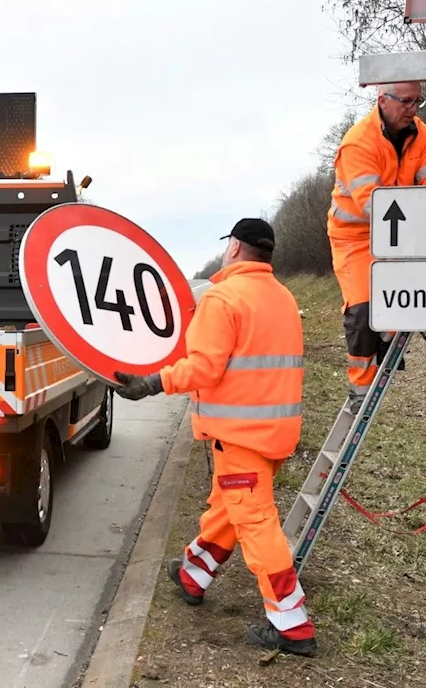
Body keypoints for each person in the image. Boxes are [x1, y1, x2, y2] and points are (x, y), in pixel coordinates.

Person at [113, 218, 317, 657]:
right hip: (276, 434)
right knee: (227, 510)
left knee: (256, 525)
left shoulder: (224, 298)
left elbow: (203, 368)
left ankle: (292, 624)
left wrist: (150, 384)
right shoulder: (283, 297)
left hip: (240, 435)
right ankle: (193, 574)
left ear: (236, 248)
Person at [328, 81, 426, 413]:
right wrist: (420, 220)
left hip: (401, 232)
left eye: (418, 101)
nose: (413, 108)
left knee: (403, 302)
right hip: (356, 237)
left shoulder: (421, 134)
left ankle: (384, 349)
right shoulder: (358, 143)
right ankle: (360, 387)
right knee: (363, 309)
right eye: (407, 101)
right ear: (382, 100)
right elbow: (371, 203)